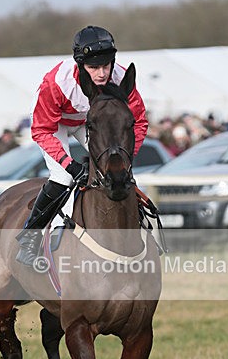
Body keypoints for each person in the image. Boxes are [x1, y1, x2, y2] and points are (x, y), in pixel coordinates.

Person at [16, 25, 148, 267]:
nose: (102, 74)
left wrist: (127, 158)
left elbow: (138, 122)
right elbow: (41, 130)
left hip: (89, 122)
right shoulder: (56, 83)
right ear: (80, 65)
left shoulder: (120, 79)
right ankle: (30, 236)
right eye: (94, 68)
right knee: (63, 177)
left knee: (115, 170)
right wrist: (70, 165)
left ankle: (138, 228)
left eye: (106, 66)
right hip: (54, 124)